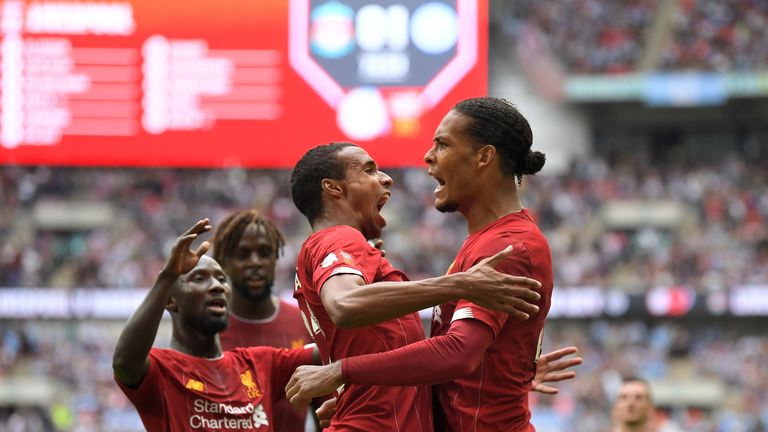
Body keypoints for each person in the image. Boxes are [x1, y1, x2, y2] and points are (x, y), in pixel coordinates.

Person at [286, 97, 556, 431]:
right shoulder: (482, 243)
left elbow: (459, 354)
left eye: (442, 145)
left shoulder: (509, 245)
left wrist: (343, 372)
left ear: (484, 157)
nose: (428, 156)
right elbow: (470, 360)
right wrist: (371, 393)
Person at [112, 219, 318, 431]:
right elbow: (124, 362)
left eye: (221, 279)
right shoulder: (161, 371)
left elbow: (331, 350)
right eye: (199, 279)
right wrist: (167, 276)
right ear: (170, 300)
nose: (217, 286)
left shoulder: (260, 364)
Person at [213, 209, 313, 432]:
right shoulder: (207, 329)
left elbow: (323, 411)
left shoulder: (303, 321)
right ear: (223, 261)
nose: (255, 262)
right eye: (242, 254)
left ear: (275, 258)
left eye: (265, 252)